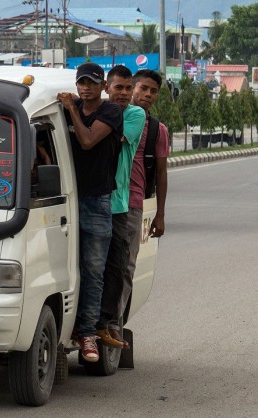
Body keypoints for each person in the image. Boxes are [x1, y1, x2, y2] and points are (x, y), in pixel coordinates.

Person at [57, 62, 123, 362]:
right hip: (65, 200)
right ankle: (67, 328)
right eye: (81, 82)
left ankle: (87, 335)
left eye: (92, 83)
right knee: (63, 269)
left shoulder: (110, 112)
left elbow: (86, 141)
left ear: (103, 86)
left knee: (93, 270)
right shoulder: (63, 110)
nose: (86, 87)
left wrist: (71, 109)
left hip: (96, 202)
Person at [109, 69, 168, 343]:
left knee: (125, 266)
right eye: (143, 88)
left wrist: (160, 215)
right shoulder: (109, 112)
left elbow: (161, 172)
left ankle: (114, 324)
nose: (146, 95)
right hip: (100, 199)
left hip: (132, 203)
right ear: (131, 87)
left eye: (153, 91)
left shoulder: (157, 129)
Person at [96, 65, 146, 348]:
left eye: (129, 88)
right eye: (119, 88)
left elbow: (107, 140)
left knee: (116, 267)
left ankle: (109, 323)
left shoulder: (135, 115)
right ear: (107, 87)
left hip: (117, 204)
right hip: (91, 199)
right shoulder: (98, 111)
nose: (125, 93)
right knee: (91, 266)